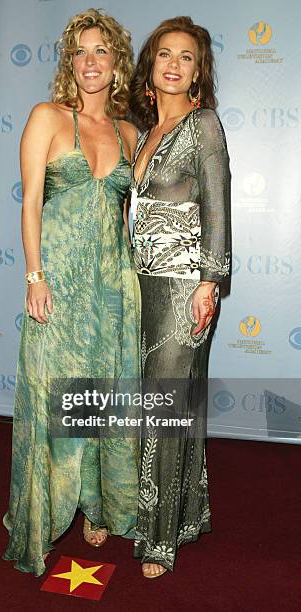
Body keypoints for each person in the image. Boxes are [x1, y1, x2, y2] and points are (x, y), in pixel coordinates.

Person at [2, 8, 141, 577]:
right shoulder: (48, 117)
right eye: (81, 52)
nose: (90, 62)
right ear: (70, 62)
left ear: (116, 64)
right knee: (54, 401)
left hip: (112, 287)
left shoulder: (131, 132)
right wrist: (35, 276)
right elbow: (30, 199)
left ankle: (100, 505)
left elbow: (126, 218)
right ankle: (42, 516)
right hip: (58, 282)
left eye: (101, 52)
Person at [129, 16, 231, 578]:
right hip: (139, 287)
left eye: (186, 56)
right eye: (164, 53)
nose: (173, 63)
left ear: (198, 70)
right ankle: (183, 515)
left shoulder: (204, 125)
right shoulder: (145, 133)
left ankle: (159, 539)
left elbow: (217, 207)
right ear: (151, 65)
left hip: (183, 288)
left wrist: (210, 283)